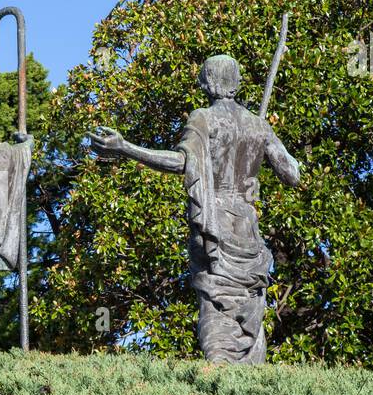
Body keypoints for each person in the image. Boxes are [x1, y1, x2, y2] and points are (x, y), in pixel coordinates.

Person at [89, 54, 300, 363]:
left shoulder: (203, 117)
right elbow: (292, 174)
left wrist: (125, 148)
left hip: (215, 226)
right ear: (237, 83)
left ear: (208, 82)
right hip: (247, 229)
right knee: (249, 310)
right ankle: (249, 382)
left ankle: (221, 377)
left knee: (216, 306)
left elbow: (182, 162)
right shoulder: (259, 125)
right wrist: (261, 140)